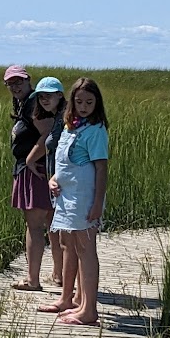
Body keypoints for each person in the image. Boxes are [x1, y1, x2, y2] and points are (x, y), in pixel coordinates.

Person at [40, 77, 109, 325]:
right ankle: (72, 298)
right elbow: (65, 162)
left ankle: (89, 310)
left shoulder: (96, 130)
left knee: (86, 249)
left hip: (84, 196)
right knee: (70, 244)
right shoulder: (72, 126)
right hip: (66, 195)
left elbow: (101, 168)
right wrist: (53, 179)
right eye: (79, 101)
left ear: (97, 103)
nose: (83, 106)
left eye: (89, 102)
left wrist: (97, 202)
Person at [9, 72, 65, 290]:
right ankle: (58, 274)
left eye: (19, 81)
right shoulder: (30, 103)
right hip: (48, 170)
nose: (15, 86)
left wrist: (31, 159)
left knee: (34, 226)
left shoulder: (33, 103)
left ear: (28, 81)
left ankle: (33, 280)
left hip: (36, 171)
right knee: (53, 225)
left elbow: (48, 134)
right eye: (10, 83)